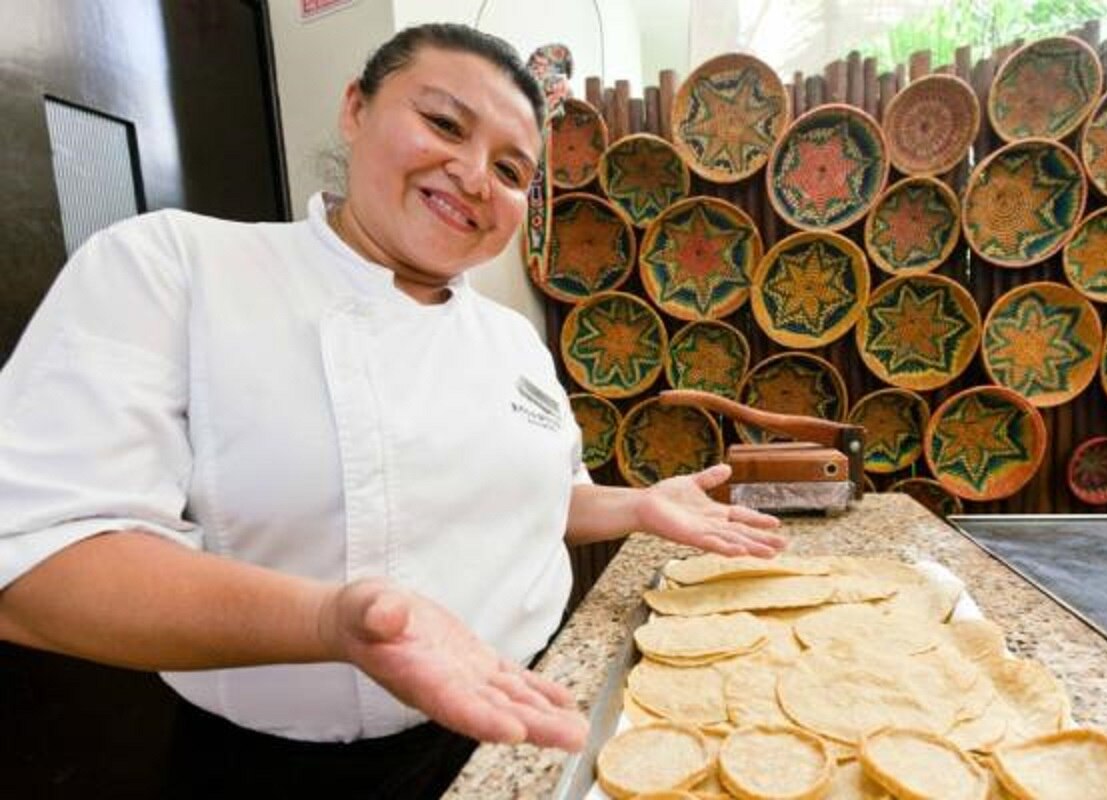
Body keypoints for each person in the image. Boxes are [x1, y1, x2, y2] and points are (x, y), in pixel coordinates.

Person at [0, 23, 785, 798]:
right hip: (272, 771)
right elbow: (34, 566)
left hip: (512, 724)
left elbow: (544, 499)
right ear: (355, 108)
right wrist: (330, 624)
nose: (478, 177)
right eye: (444, 123)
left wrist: (640, 506)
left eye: (512, 171)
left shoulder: (511, 340)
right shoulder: (176, 268)